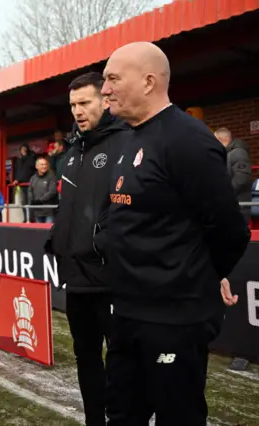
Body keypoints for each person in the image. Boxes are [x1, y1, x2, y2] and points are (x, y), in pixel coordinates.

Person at [98, 42, 250, 425]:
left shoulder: (188, 140)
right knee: (120, 414)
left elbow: (230, 229)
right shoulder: (127, 138)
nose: (104, 90)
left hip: (173, 321)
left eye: (113, 79)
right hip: (127, 314)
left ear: (149, 82)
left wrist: (202, 275)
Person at [47, 71, 130, 426]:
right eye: (73, 105)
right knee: (86, 358)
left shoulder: (126, 142)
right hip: (76, 278)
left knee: (123, 363)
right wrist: (57, 241)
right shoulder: (72, 151)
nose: (78, 111)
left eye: (85, 103)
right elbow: (71, 209)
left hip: (111, 279)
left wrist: (100, 244)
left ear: (105, 100)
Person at [214, 127, 253, 225]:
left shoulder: (238, 153)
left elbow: (242, 178)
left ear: (221, 139)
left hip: (239, 206)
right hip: (233, 205)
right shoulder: (229, 154)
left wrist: (225, 192)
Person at [28, 156, 58, 223]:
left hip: (49, 211)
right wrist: (31, 213)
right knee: (38, 232)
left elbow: (52, 192)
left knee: (49, 232)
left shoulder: (51, 177)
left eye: (45, 164)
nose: (44, 166)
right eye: (42, 164)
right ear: (37, 166)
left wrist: (40, 201)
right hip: (37, 212)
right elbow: (30, 195)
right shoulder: (33, 179)